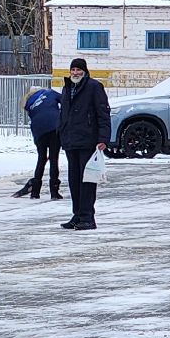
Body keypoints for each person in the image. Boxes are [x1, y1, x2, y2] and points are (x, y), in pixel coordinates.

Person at [57, 57, 110, 230]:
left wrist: (103, 138)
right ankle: (77, 215)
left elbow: (103, 114)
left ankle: (88, 217)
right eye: (73, 70)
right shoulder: (67, 88)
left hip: (88, 141)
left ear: (85, 71)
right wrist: (61, 132)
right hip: (70, 141)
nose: (75, 73)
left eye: (78, 70)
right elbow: (64, 114)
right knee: (74, 180)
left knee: (87, 180)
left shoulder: (94, 87)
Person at [17, 84, 62, 201]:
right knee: (54, 158)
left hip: (38, 131)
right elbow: (65, 100)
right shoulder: (50, 93)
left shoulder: (28, 102)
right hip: (54, 127)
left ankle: (35, 192)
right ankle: (54, 192)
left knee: (41, 158)